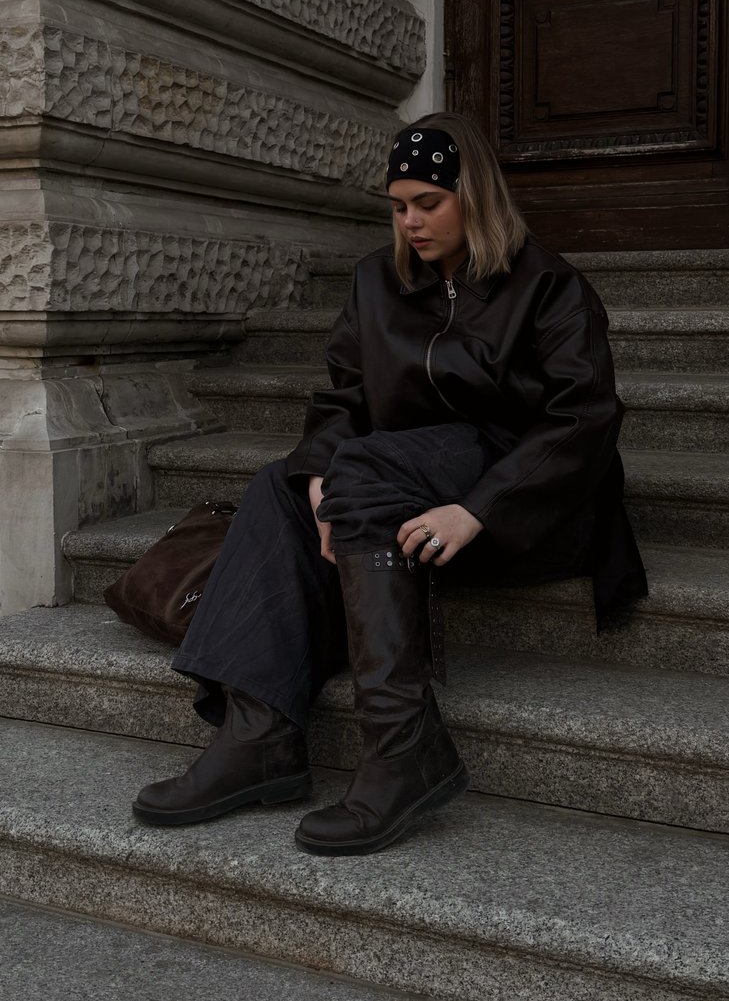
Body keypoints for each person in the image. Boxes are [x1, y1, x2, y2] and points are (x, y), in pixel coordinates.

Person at [132, 112, 647, 855]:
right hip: (398, 482)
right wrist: (319, 479)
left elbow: (584, 421)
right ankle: (259, 734)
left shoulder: (549, 286)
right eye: (399, 205)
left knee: (364, 469)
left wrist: (478, 507)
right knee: (281, 484)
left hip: (524, 497)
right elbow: (342, 398)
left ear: (474, 195)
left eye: (428, 203)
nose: (411, 222)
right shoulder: (377, 281)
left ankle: (403, 745)